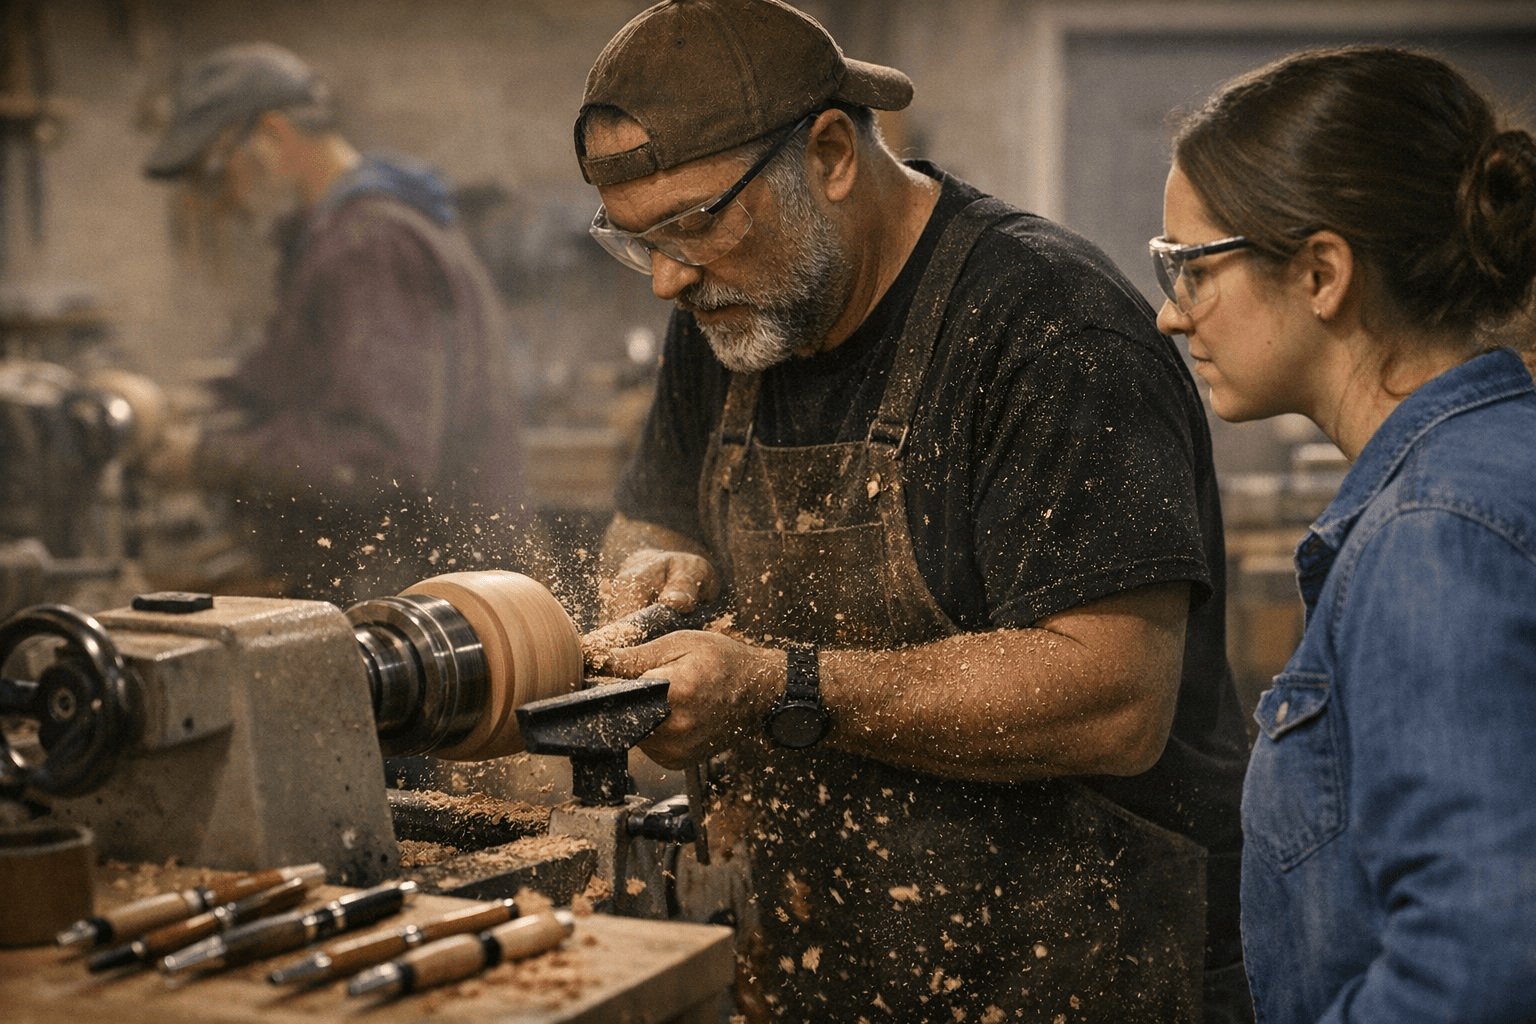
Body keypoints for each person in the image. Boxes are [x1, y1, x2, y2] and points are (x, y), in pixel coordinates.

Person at [574, 2, 1250, 1020]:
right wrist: (653, 567)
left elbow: (1115, 699)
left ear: (832, 155)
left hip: (1073, 966)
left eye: (695, 223)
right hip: (820, 954)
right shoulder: (726, 311)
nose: (668, 277)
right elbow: (651, 519)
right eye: (639, 242)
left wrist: (778, 686)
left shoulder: (1051, 332)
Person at [1155, 46, 1536, 1024]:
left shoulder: (1434, 534)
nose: (1168, 314)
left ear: (1322, 273)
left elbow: (1477, 962)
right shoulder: (1490, 464)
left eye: (1191, 268)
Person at [142, 42, 525, 603]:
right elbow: (303, 378)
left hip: (425, 601)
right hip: (412, 585)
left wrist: (204, 456)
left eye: (215, 175)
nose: (219, 203)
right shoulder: (345, 235)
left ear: (272, 135)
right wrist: (203, 401)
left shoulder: (367, 245)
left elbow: (378, 457)